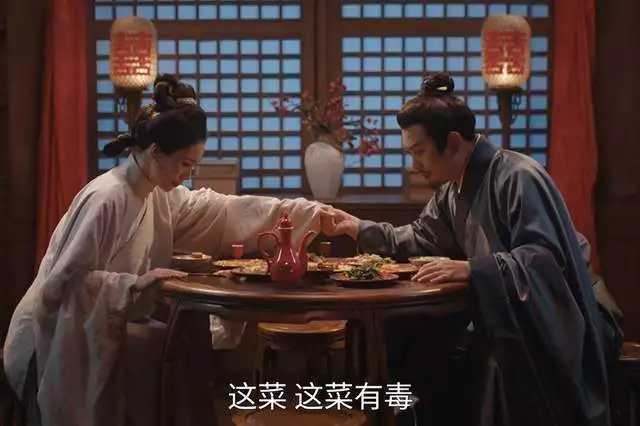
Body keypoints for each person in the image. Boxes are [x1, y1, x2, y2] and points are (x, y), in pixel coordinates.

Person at [3, 74, 329, 426]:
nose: (187, 175)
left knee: (181, 344)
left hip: (109, 323)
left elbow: (223, 211)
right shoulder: (106, 198)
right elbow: (63, 286)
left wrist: (311, 213)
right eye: (185, 165)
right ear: (156, 152)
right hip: (52, 341)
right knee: (173, 347)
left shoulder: (157, 193)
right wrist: (131, 285)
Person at [320, 73, 623, 426]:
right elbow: (420, 238)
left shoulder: (519, 176)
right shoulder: (453, 190)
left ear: (452, 142)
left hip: (565, 316)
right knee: (413, 341)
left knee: (483, 364)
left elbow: (546, 259)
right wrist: (358, 227)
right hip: (508, 314)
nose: (414, 165)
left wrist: (474, 269)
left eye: (419, 152)